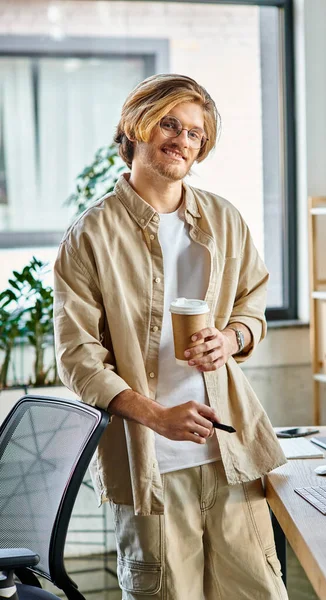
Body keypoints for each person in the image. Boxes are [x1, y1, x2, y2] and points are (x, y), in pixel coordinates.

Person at [54, 73, 288, 600]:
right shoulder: (90, 236)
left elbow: (254, 303)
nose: (183, 139)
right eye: (170, 123)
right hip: (150, 473)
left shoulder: (225, 220)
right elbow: (78, 359)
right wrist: (158, 416)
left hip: (233, 458)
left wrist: (231, 338)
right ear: (136, 125)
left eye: (196, 133)